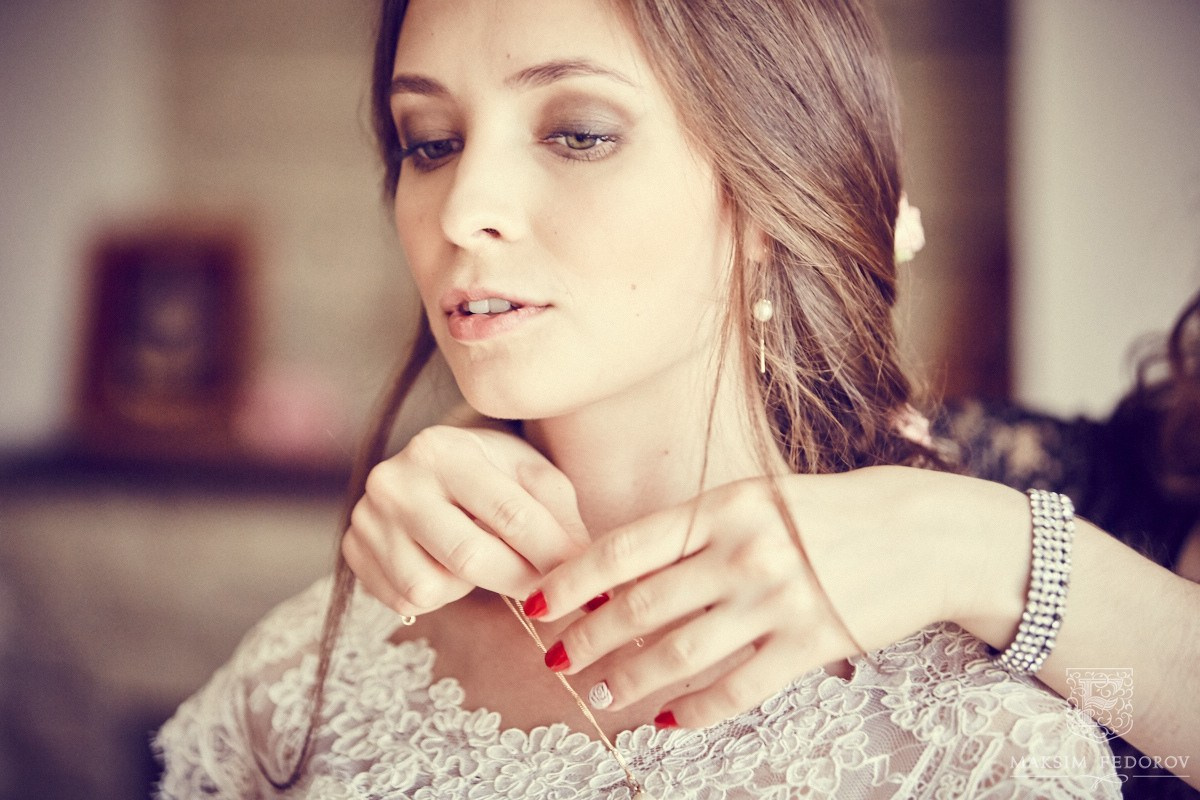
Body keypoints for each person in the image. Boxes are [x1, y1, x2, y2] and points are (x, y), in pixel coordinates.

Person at [155, 1, 1127, 796]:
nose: (461, 211)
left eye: (578, 133)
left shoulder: (975, 745)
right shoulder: (298, 686)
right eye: (431, 142)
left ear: (771, 189)